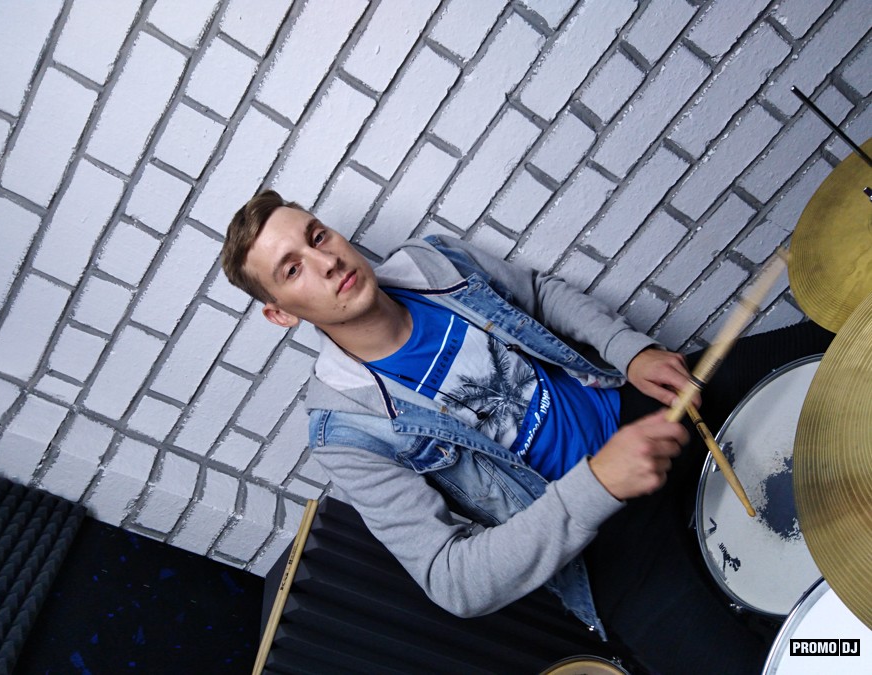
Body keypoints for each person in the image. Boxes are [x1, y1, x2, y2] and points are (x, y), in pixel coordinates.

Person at [221, 190, 833, 674]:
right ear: (280, 313)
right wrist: (597, 484)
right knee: (777, 664)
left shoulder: (432, 262)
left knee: (835, 352)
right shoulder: (347, 431)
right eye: (293, 269)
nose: (327, 262)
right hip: (602, 549)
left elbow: (537, 293)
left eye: (318, 236)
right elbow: (453, 581)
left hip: (643, 413)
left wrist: (629, 350)